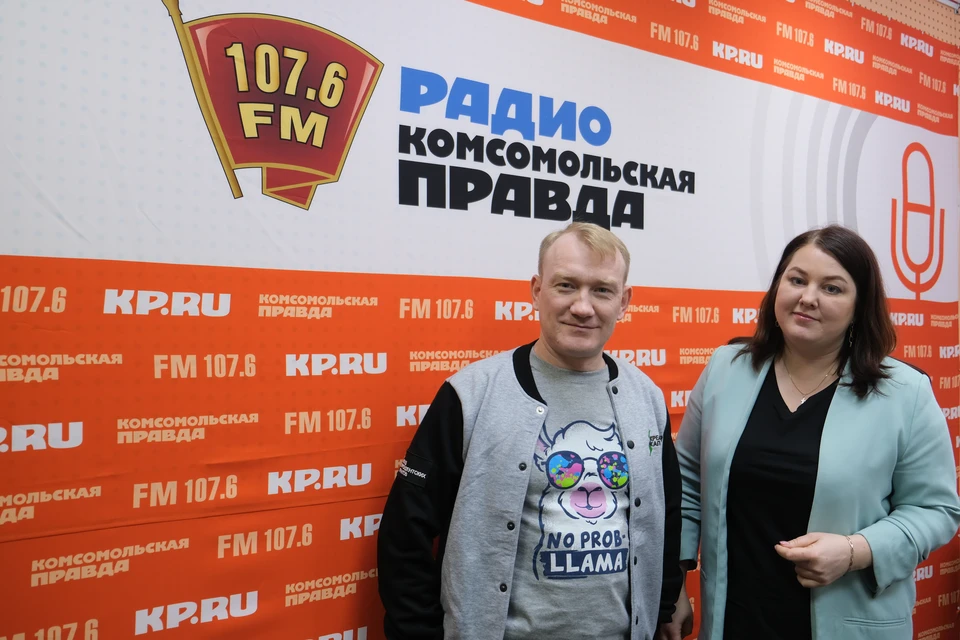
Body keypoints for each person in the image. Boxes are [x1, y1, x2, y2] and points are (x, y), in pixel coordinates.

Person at [377, 222, 683, 640]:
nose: (582, 307)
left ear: (624, 302)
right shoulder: (471, 395)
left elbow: (665, 514)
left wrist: (663, 604)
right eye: (566, 285)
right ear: (537, 291)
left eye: (602, 290)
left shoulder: (646, 398)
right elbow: (405, 532)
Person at [659, 225, 960, 640]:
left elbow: (936, 510)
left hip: (851, 622)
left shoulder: (905, 392)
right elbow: (687, 484)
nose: (808, 297)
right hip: (737, 619)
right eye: (797, 280)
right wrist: (674, 583)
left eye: (832, 288)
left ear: (860, 306)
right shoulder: (726, 368)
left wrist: (855, 551)